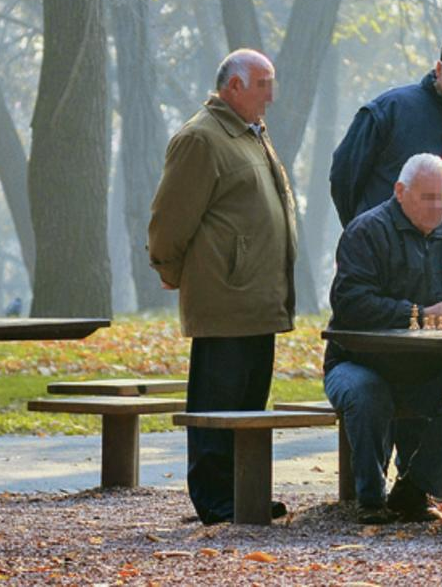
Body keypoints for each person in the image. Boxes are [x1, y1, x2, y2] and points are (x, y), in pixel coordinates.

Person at [148, 48, 297, 525]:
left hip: (259, 300)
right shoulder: (201, 139)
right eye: (263, 84)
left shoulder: (252, 133)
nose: (271, 95)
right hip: (226, 298)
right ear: (234, 86)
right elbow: (170, 219)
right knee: (218, 407)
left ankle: (244, 494)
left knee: (248, 407)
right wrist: (169, 270)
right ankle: (215, 499)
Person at [324, 153, 442, 524]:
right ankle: (370, 498)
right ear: (400, 191)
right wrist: (420, 313)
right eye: (427, 197)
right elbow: (350, 303)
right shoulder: (366, 232)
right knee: (366, 393)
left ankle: (416, 487)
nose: (437, 207)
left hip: (427, 369)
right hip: (359, 362)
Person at [330, 33, 442, 236]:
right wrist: (365, 236)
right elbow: (344, 177)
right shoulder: (390, 110)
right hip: (384, 249)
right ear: (439, 70)